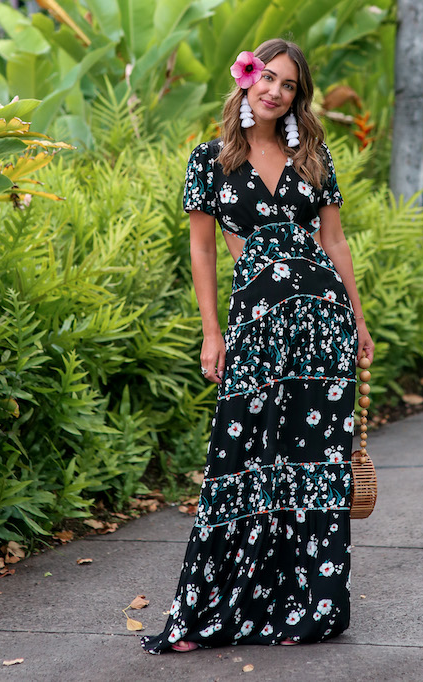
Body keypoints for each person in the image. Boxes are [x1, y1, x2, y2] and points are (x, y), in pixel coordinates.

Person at [141, 38, 374, 655]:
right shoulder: (210, 160)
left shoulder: (313, 155)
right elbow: (202, 250)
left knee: (312, 467)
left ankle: (306, 610)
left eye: (289, 85)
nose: (274, 91)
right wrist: (211, 330)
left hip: (321, 326)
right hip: (253, 326)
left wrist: (358, 319)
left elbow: (335, 241)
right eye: (266, 77)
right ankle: (208, 614)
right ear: (246, 78)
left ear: (300, 96)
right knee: (239, 458)